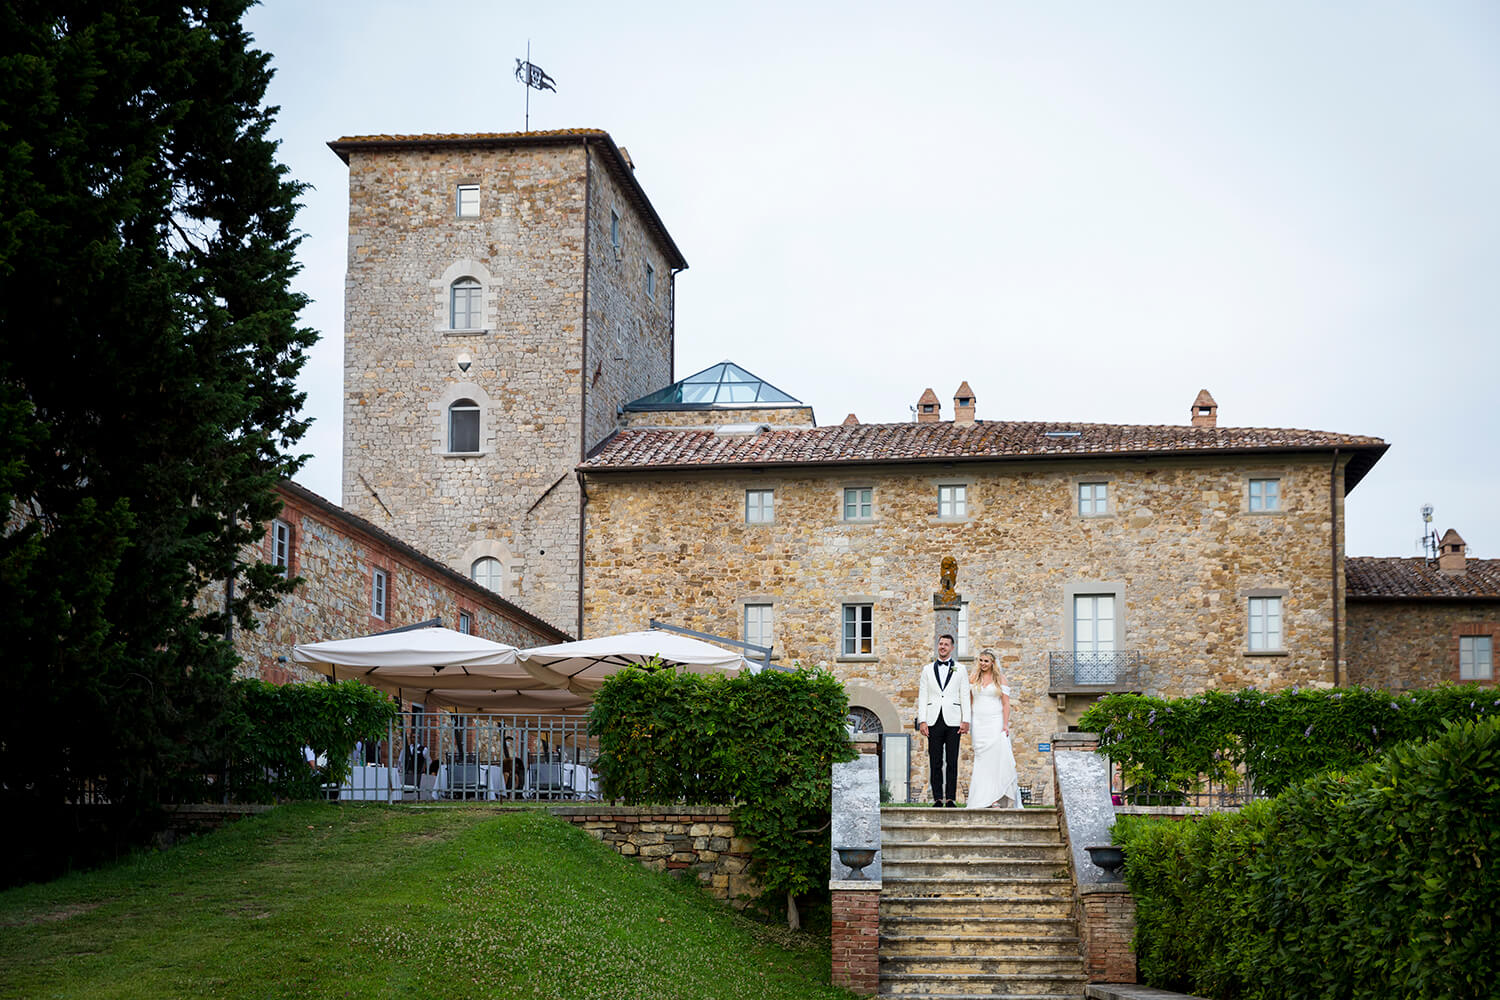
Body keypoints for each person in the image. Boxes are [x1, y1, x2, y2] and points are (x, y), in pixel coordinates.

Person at [918, 633, 970, 807]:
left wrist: (966, 719)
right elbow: (923, 696)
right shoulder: (927, 669)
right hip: (933, 720)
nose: (942, 647)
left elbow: (964, 695)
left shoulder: (961, 669)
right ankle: (938, 798)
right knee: (935, 761)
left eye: (946, 644)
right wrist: (922, 721)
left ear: (952, 648)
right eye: (940, 644)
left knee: (952, 761)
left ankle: (950, 798)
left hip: (954, 720)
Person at [965, 648, 1022, 809]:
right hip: (978, 723)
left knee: (996, 759)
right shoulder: (972, 679)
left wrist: (1005, 724)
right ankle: (983, 797)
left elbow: (1005, 704)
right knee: (982, 760)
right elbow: (969, 702)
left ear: (992, 663)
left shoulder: (1000, 680)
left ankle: (996, 797)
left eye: (986, 661)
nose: (983, 664)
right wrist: (967, 721)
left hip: (995, 722)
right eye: (981, 660)